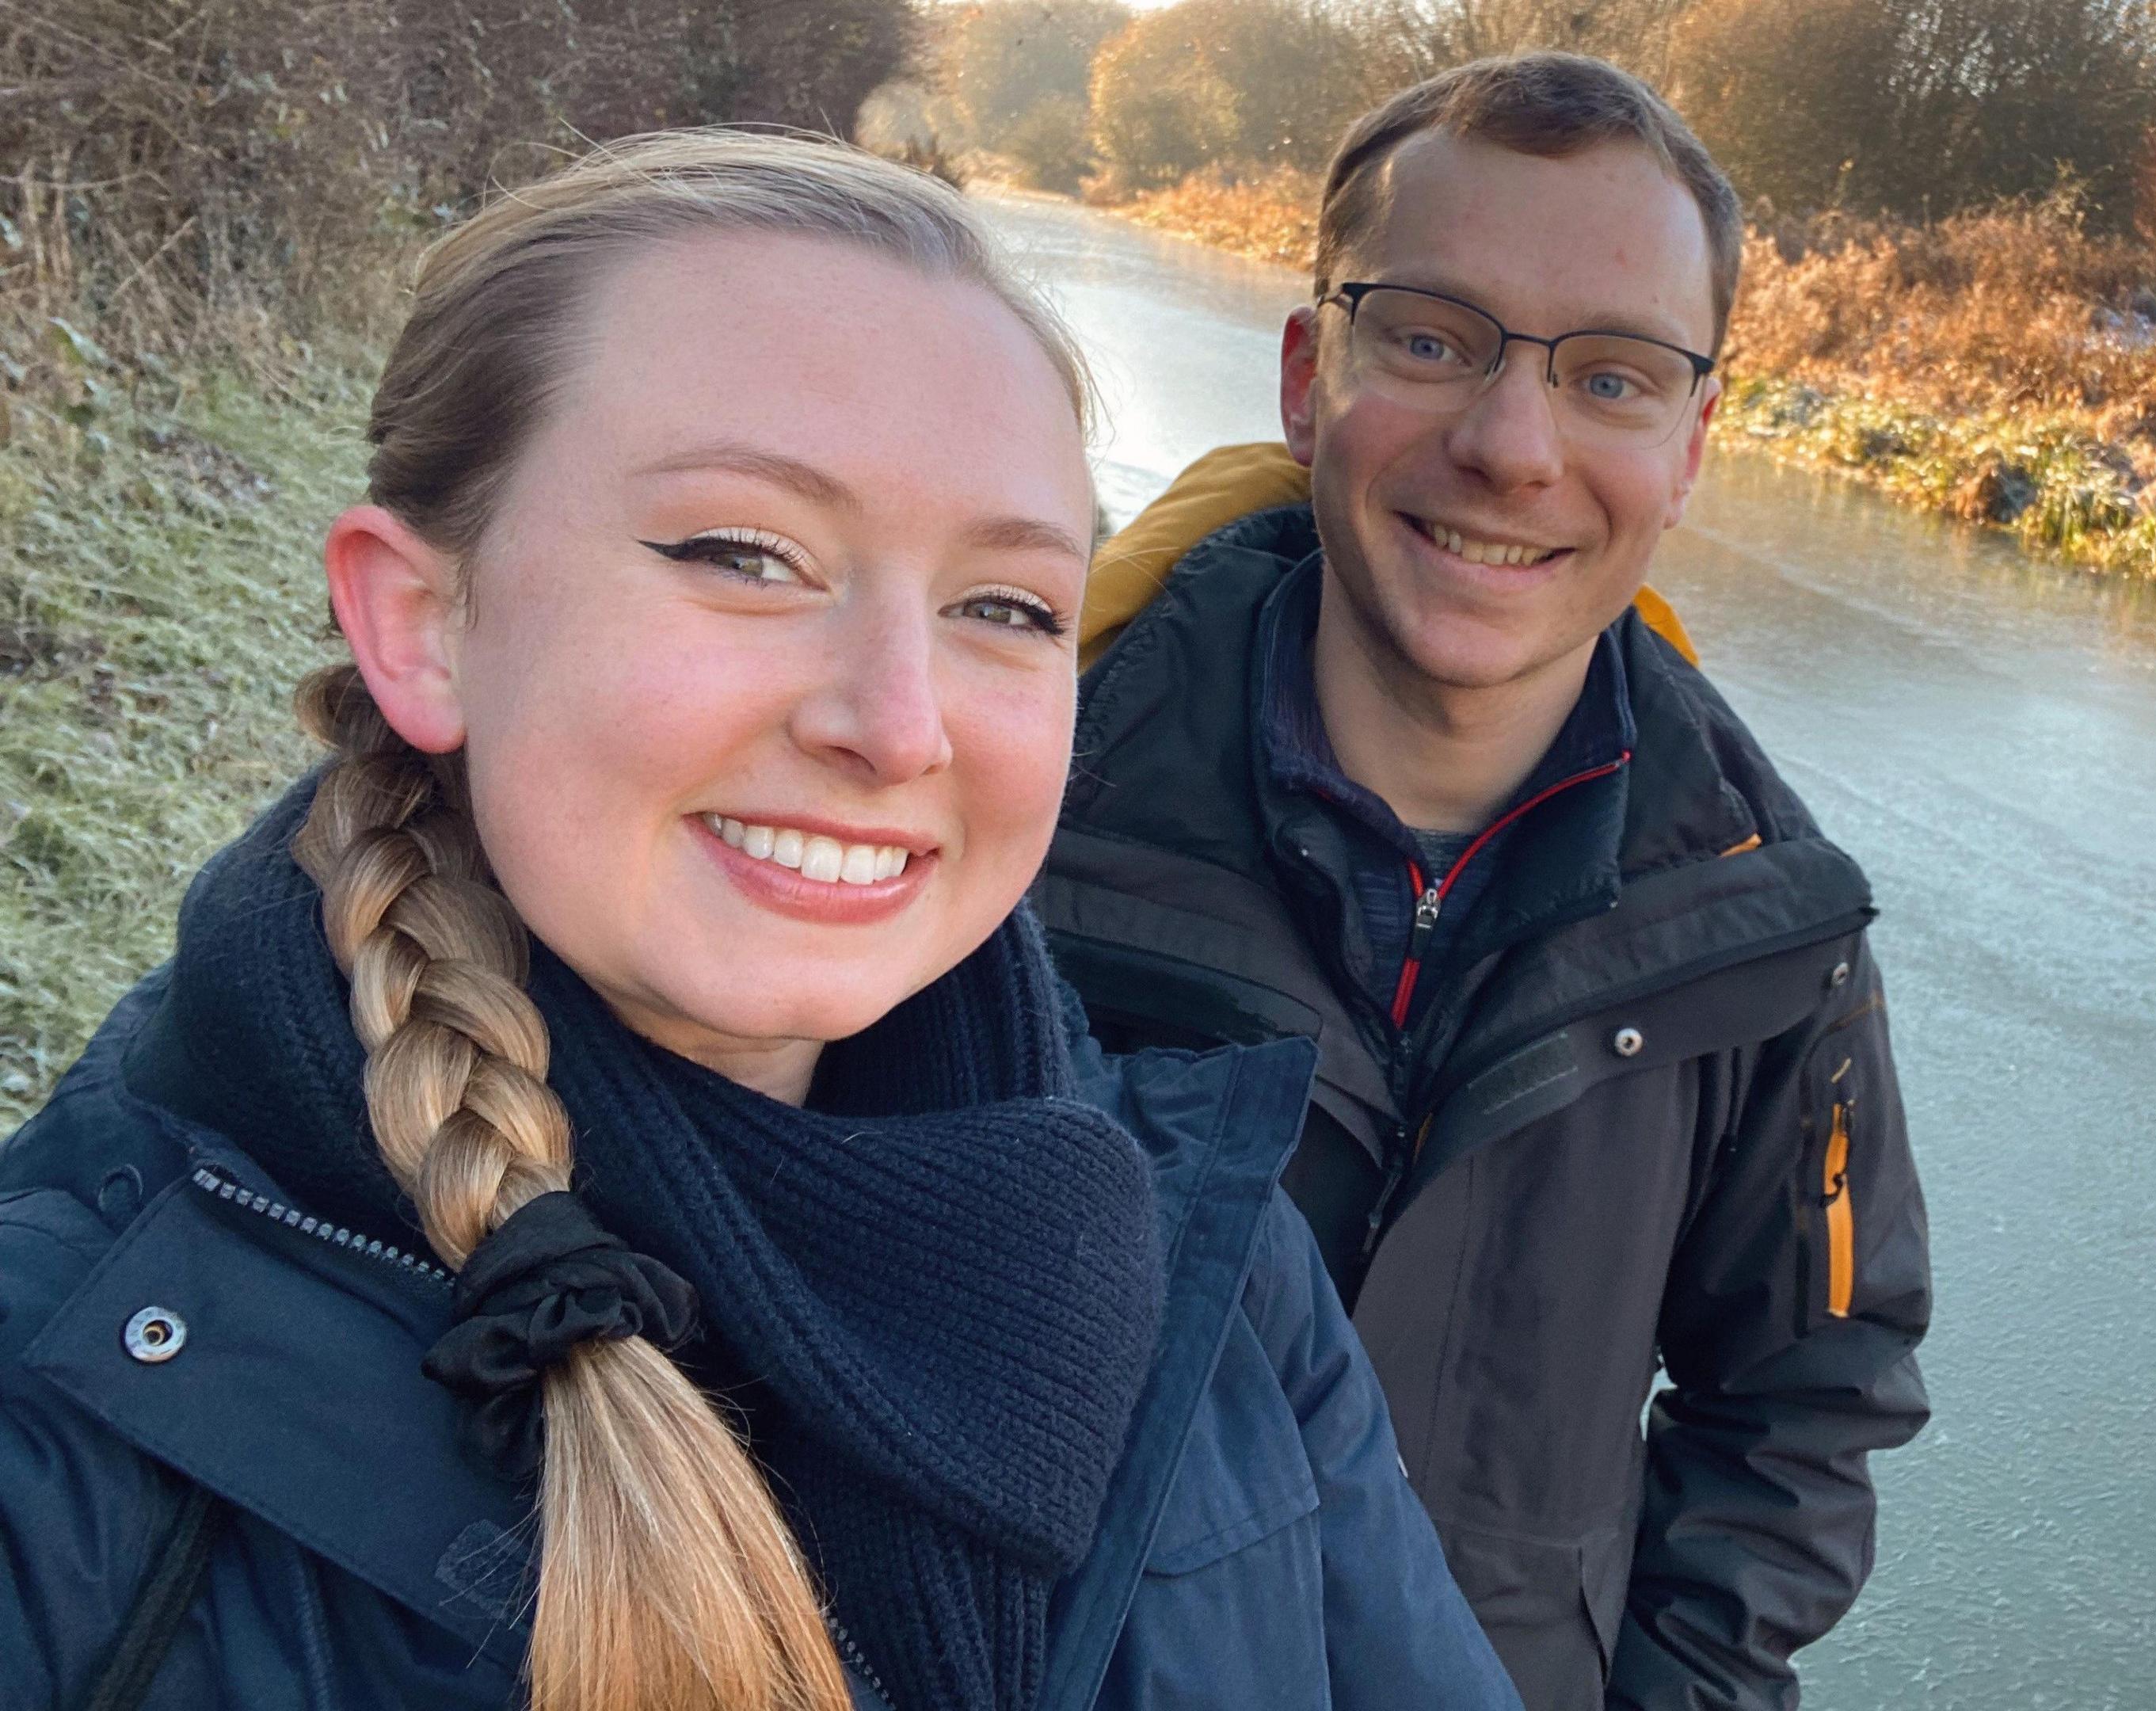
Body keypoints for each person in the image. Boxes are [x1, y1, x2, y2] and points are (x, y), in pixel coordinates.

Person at [0, 131, 1516, 1711]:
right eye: (745, 555)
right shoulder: (65, 1425)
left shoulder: (1205, 1253)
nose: (899, 721)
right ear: (420, 621)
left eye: (1005, 607)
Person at [1040, 55, 1933, 1711]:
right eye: (1435, 340)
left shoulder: (1768, 931)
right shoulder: (1019, 812)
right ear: (1311, 375)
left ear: (1691, 444)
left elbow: (1807, 1398)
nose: (1514, 447)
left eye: (1613, 377)